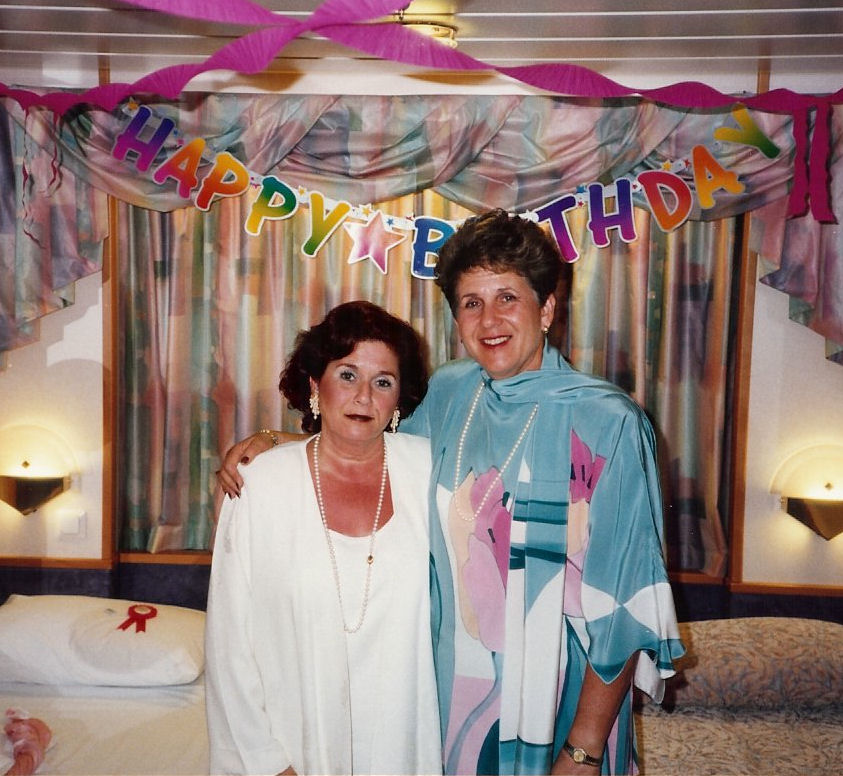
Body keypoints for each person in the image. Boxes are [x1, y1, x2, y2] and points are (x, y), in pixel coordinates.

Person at [217, 210, 684, 775]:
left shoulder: (610, 424)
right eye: (471, 302)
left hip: (560, 704)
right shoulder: (453, 393)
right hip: (457, 707)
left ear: (547, 309)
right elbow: (372, 438)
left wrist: (582, 751)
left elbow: (626, 606)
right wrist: (279, 442)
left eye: (507, 297)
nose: (490, 320)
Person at [205, 301, 441, 775]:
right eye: (347, 375)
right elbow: (228, 644)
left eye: (383, 382)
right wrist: (269, 764)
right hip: (290, 749)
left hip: (404, 747)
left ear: (399, 398)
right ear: (316, 384)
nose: (363, 397)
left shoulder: (430, 471)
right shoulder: (260, 483)